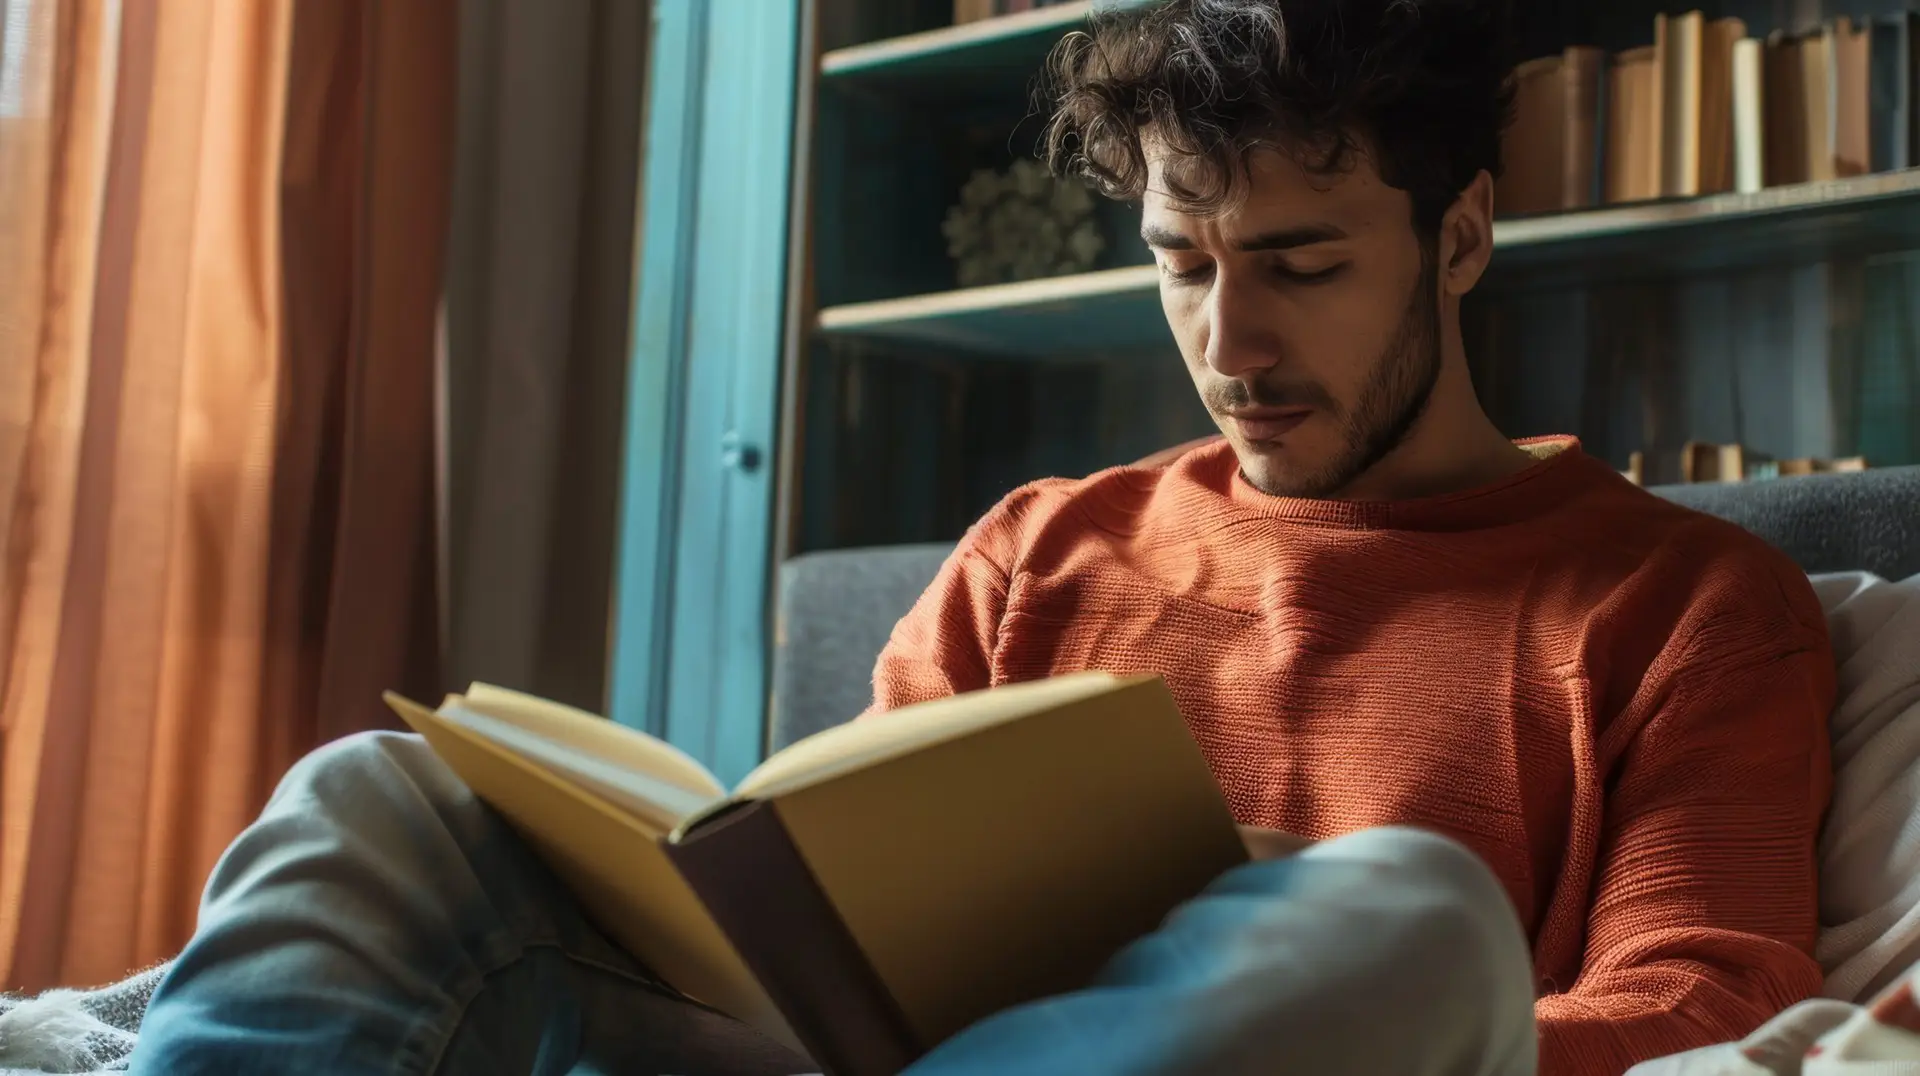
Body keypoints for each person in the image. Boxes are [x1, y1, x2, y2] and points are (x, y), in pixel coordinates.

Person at [129, 1, 1834, 1074]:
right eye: (1182, 265)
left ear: (1459, 239)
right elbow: (835, 884)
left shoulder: (1685, 601)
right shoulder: (1043, 544)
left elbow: (1706, 1006)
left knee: (1407, 911)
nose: (1230, 341)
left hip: (1301, 1046)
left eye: (1302, 265)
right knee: (383, 791)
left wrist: (1255, 937)